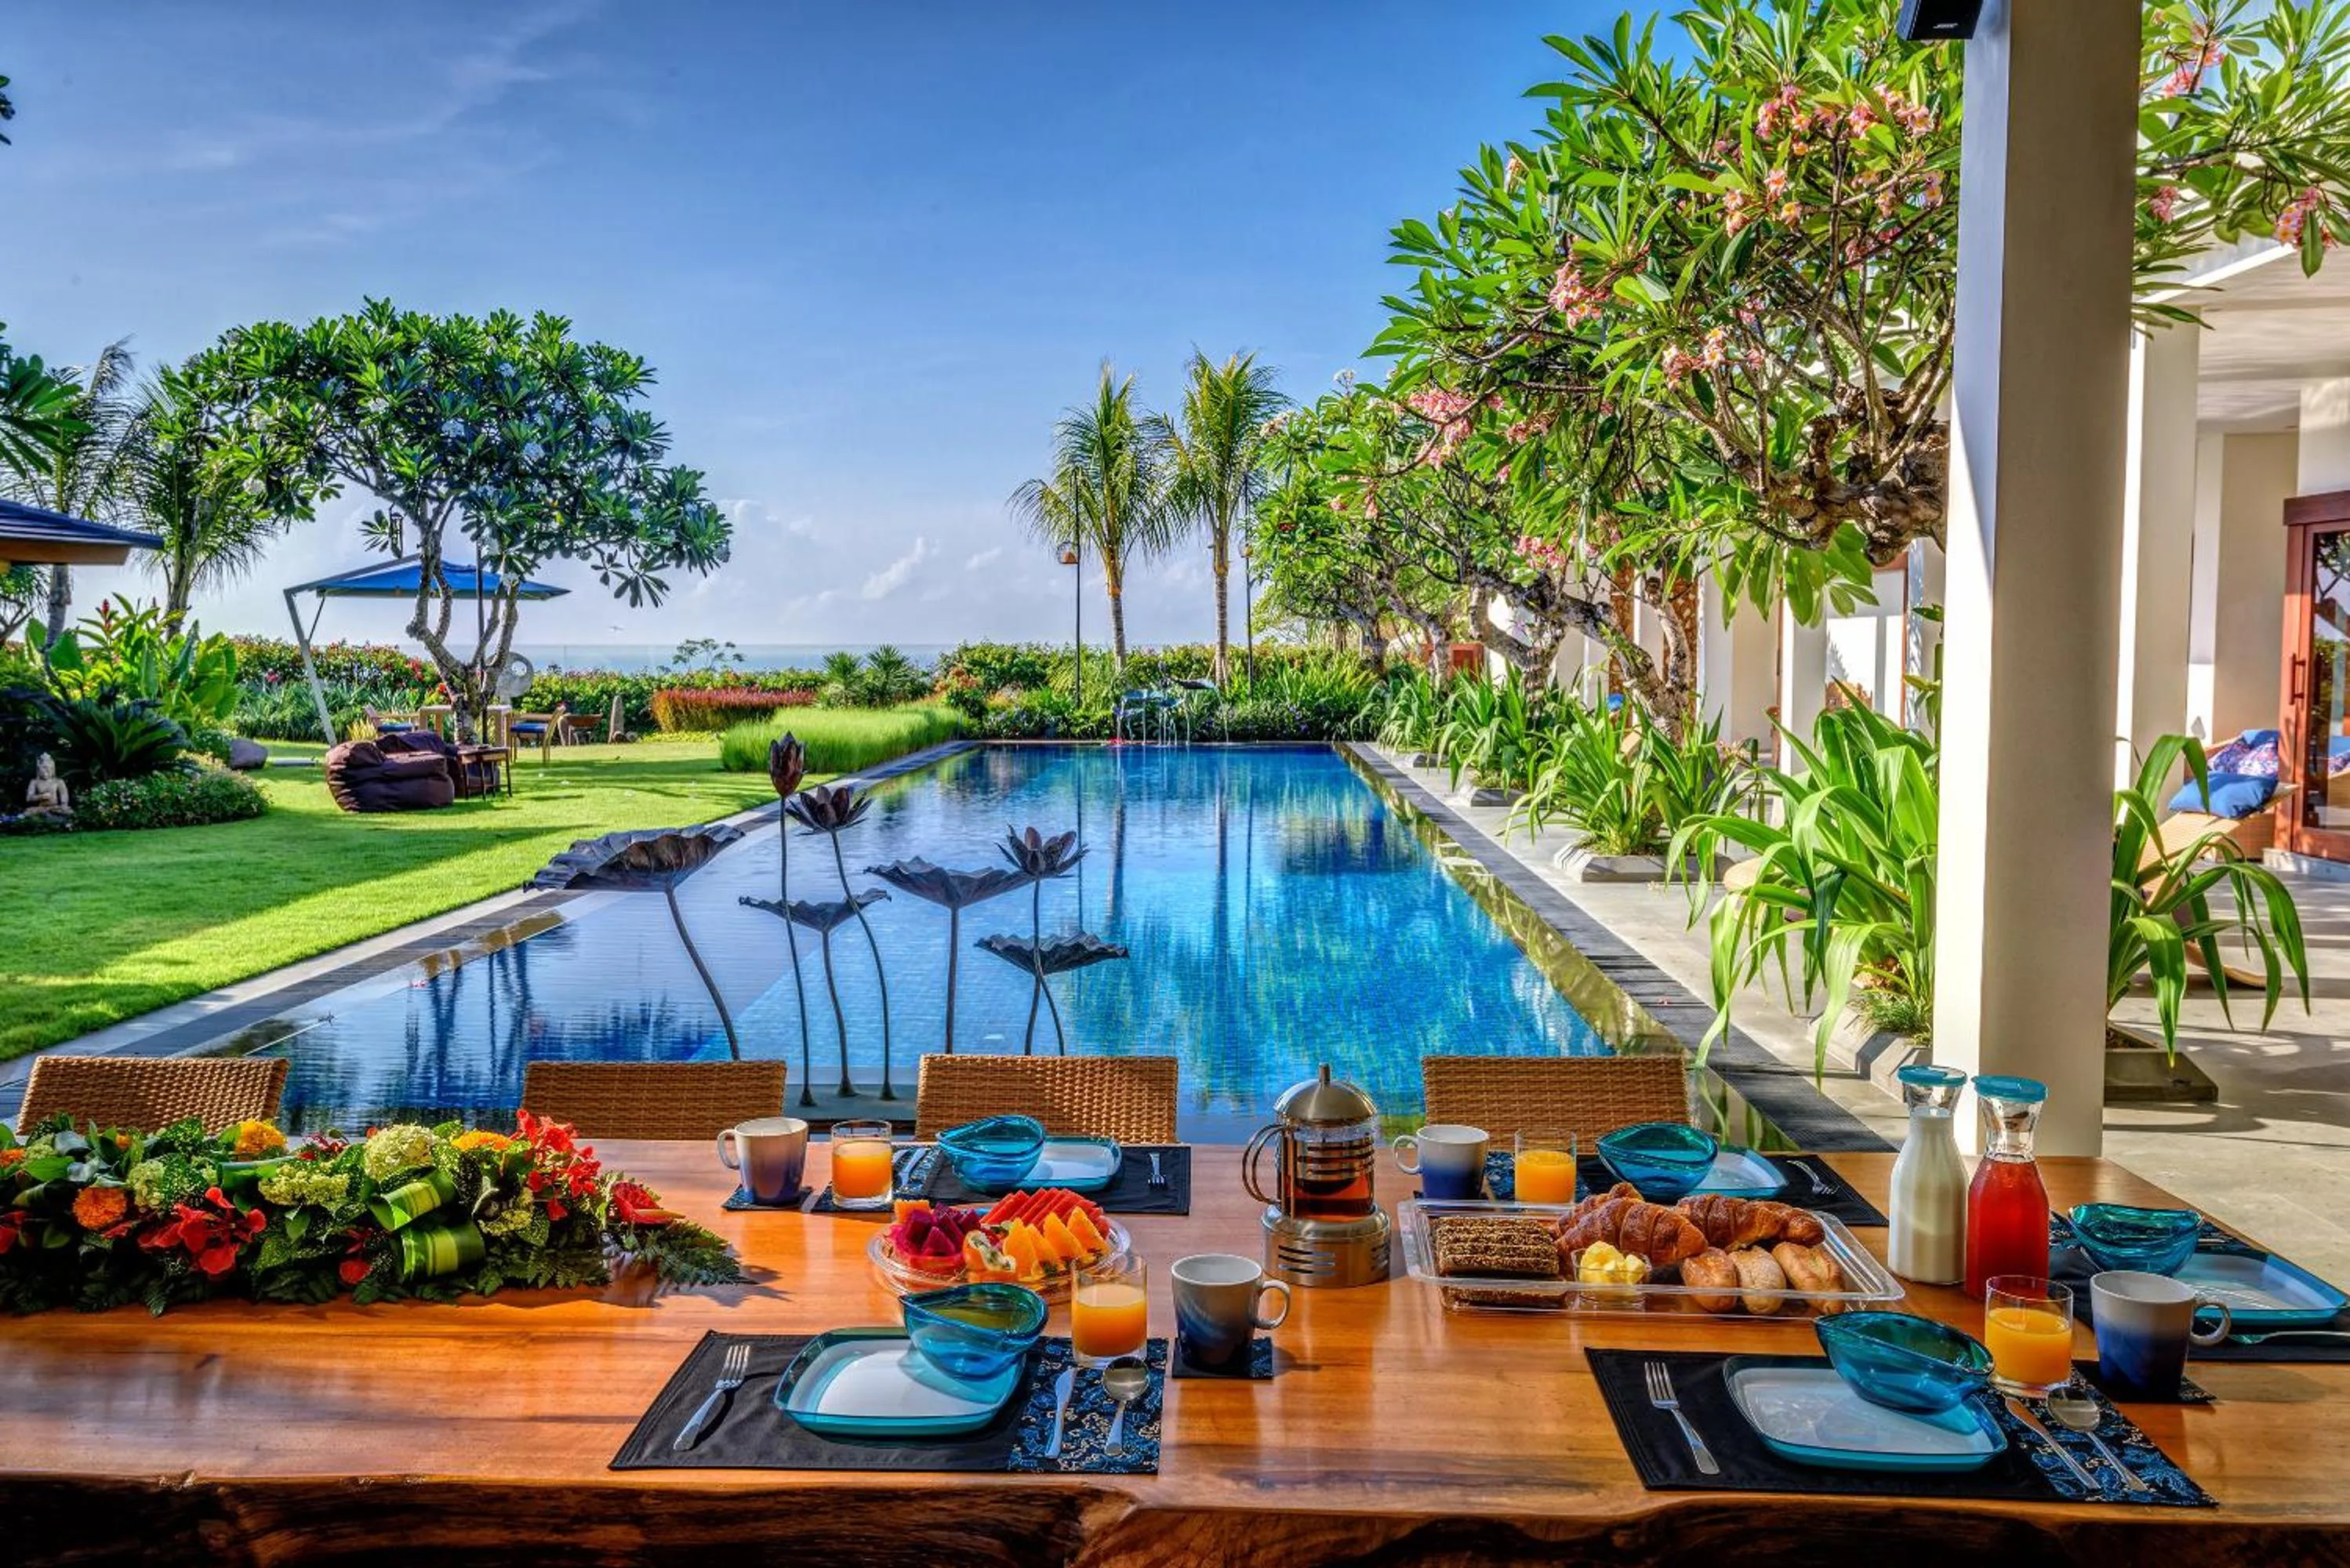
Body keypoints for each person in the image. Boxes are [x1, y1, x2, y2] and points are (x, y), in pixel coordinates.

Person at [22, 753, 71, 818]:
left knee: (67, 811)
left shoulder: (58, 781)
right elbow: (29, 798)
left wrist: (63, 805)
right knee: (27, 813)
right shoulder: (34, 782)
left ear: (52, 769)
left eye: (48, 769)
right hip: (40, 808)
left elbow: (64, 797)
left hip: (55, 807)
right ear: (39, 770)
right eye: (43, 769)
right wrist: (41, 797)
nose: (46, 772)